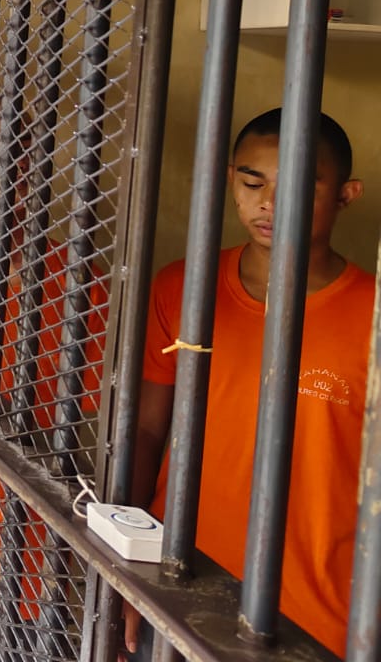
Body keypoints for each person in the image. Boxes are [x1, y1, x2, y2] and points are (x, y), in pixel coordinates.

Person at [126, 109, 368, 658]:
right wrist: (130, 568)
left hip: (316, 621)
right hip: (177, 589)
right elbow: (145, 432)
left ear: (345, 195)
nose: (269, 203)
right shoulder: (184, 287)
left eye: (299, 185)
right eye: (253, 183)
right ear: (230, 179)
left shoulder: (372, 315)